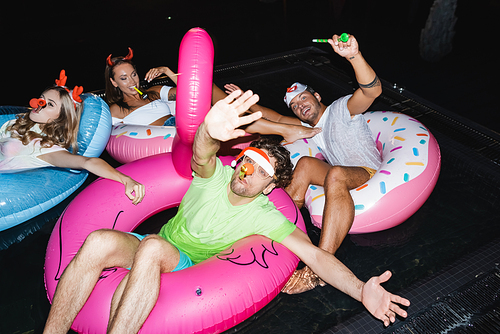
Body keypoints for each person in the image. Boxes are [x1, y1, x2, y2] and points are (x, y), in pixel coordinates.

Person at [43, 89, 409, 334]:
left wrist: (362, 291)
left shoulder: (265, 215)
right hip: (150, 242)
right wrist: (209, 129)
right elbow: (201, 152)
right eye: (245, 162)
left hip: (182, 262)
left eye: (258, 172)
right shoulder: (214, 176)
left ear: (268, 187)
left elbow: (315, 255)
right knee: (97, 241)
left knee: (154, 249)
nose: (245, 172)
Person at [224, 33, 383, 294]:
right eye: (295, 106)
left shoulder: (342, 108)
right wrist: (245, 100)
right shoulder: (309, 127)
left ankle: (319, 268)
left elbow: (372, 90)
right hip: (340, 173)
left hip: (368, 171)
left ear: (317, 95)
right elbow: (272, 116)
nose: (300, 106)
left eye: (303, 98)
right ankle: (277, 237)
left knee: (336, 175)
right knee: (307, 164)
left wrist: (354, 56)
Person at [105, 47, 321, 143]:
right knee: (226, 115)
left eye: (133, 74)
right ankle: (286, 130)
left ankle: (286, 130)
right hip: (160, 137)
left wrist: (168, 72)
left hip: (182, 124)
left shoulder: (152, 93)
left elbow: (193, 92)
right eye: (124, 78)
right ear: (114, 82)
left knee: (224, 110)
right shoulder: (116, 110)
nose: (132, 81)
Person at [0, 70, 145, 205]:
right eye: (41, 98)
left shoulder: (46, 148)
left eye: (50, 104)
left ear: (61, 117)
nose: (40, 104)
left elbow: (87, 162)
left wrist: (126, 180)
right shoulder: (16, 123)